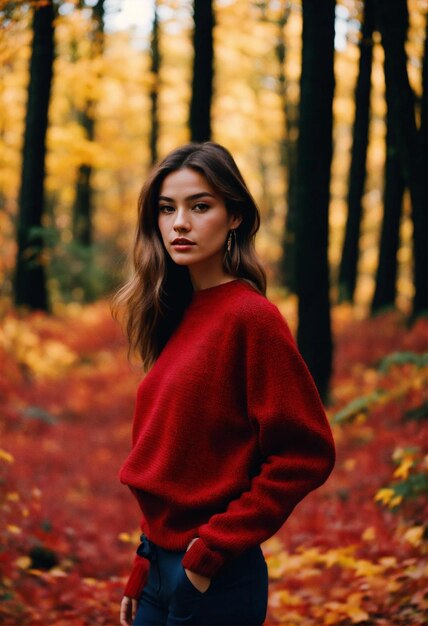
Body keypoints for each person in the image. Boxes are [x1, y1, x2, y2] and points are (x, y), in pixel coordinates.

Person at [112, 142, 335, 626]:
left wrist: (213, 550)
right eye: (167, 209)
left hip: (214, 578)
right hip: (157, 572)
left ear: (234, 216)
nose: (179, 224)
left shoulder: (252, 319)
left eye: (200, 206)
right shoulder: (176, 314)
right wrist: (143, 562)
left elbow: (305, 453)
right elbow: (178, 463)